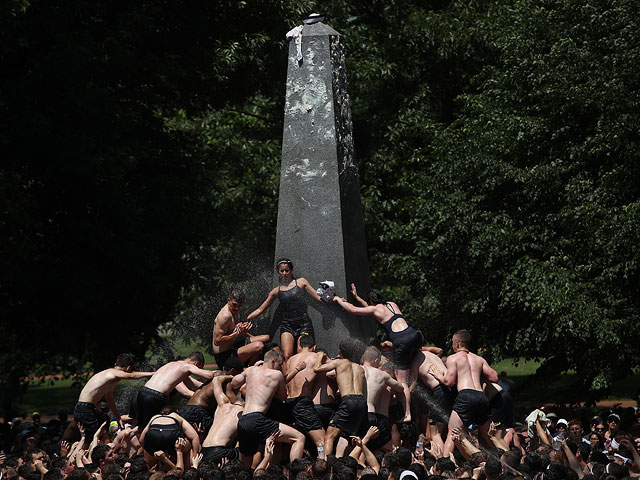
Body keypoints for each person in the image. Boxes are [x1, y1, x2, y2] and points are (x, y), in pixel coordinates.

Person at [334, 288, 421, 392]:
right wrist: (357, 298)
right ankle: (413, 389)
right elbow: (373, 309)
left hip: (402, 341)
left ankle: (407, 408)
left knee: (402, 382)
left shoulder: (375, 309)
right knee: (411, 370)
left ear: (371, 302)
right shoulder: (392, 304)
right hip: (415, 336)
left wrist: (337, 299)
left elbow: (353, 309)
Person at [428, 329, 498, 456]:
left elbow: (449, 382)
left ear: (457, 343)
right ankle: (503, 459)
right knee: (489, 435)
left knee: (453, 433)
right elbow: (494, 377)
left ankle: (445, 465)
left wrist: (439, 375)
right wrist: (478, 376)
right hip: (481, 396)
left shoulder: (453, 358)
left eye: (453, 342)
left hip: (466, 396)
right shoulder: (478, 359)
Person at [230, 349, 306, 465]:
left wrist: (250, 374)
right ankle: (296, 472)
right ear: (272, 362)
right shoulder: (276, 375)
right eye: (279, 365)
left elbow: (234, 383)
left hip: (243, 421)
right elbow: (283, 397)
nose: (280, 368)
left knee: (246, 460)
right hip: (258, 420)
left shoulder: (251, 371)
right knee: (299, 438)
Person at [247, 258, 323, 360]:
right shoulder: (276, 291)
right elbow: (261, 309)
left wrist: (335, 299)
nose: (284, 273)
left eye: (286, 270)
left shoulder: (301, 282)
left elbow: (318, 297)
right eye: (281, 271)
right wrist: (246, 319)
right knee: (287, 355)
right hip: (287, 325)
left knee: (302, 353)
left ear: (291, 270)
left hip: (303, 324)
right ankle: (288, 375)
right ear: (278, 272)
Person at [74, 353, 154, 445]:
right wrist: (152, 374)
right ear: (128, 368)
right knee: (94, 441)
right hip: (85, 409)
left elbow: (110, 401)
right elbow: (130, 376)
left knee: (101, 436)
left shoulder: (109, 379)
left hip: (85, 409)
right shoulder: (112, 373)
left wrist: (118, 418)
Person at [133, 352, 215, 429]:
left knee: (142, 427)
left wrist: (205, 389)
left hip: (142, 393)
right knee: (157, 426)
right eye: (199, 368)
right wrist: (218, 373)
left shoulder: (171, 364)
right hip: (155, 397)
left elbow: (193, 384)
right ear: (196, 363)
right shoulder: (187, 366)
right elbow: (209, 375)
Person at [314, 340, 368, 456]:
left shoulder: (339, 363)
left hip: (348, 401)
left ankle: (327, 465)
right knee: (350, 436)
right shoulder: (360, 368)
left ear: (340, 352)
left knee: (329, 437)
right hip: (361, 403)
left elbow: (317, 369)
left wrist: (320, 356)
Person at [284, 334, 326, 456]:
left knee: (296, 440)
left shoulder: (291, 359)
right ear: (314, 347)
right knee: (321, 441)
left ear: (300, 346)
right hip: (302, 403)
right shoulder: (315, 357)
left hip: (288, 402)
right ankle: (321, 464)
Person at [361, 346, 409, 452]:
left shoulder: (355, 369)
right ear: (376, 360)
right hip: (373, 414)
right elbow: (400, 388)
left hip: (358, 413)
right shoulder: (382, 374)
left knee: (362, 446)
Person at [212, 288, 270, 368]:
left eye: (239, 306)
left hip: (232, 348)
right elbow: (217, 341)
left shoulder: (235, 310)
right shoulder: (225, 316)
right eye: (234, 305)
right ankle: (250, 371)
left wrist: (242, 327)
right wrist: (237, 334)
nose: (237, 308)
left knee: (266, 338)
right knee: (259, 346)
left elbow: (234, 329)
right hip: (224, 357)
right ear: (229, 300)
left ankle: (251, 364)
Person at [410, 349, 453, 451]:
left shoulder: (415, 361)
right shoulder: (430, 355)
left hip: (440, 391)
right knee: (452, 431)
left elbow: (411, 387)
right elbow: (439, 350)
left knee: (435, 435)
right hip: (452, 389)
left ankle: (444, 461)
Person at [200, 374, 244, 464]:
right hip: (219, 451)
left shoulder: (223, 405)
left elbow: (216, 380)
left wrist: (232, 377)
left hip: (203, 451)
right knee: (248, 449)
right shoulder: (244, 413)